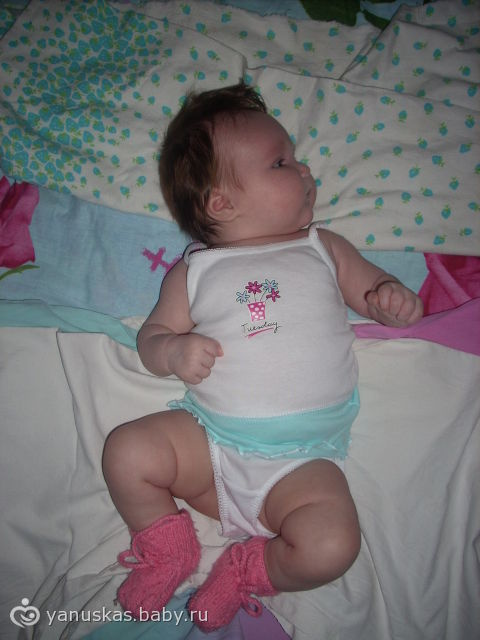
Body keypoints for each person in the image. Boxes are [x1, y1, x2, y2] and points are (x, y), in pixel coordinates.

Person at [102, 82, 423, 631]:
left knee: (332, 546)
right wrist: (172, 350)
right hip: (209, 444)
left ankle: (248, 568)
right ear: (221, 203)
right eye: (281, 162)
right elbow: (151, 337)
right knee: (127, 452)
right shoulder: (196, 271)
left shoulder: (322, 247)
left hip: (301, 463)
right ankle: (166, 548)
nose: (305, 170)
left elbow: (372, 290)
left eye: (294, 158)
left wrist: (389, 299)